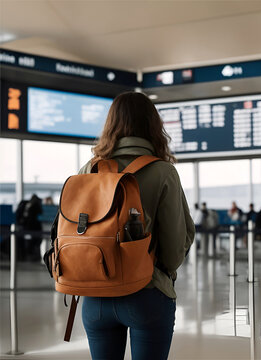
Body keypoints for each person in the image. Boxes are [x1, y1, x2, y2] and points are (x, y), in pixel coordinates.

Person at [79, 92, 195, 360]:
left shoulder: (89, 168)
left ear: (111, 125)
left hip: (95, 298)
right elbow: (173, 253)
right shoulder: (163, 172)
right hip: (147, 293)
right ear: (153, 126)